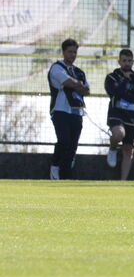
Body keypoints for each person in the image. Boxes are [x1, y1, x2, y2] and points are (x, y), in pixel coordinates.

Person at [48, 38, 90, 179]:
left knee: (73, 144)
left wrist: (76, 84)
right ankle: (55, 166)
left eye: (75, 52)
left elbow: (87, 90)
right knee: (64, 140)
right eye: (70, 52)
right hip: (60, 111)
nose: (72, 55)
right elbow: (67, 82)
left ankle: (66, 175)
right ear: (64, 52)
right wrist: (78, 84)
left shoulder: (79, 72)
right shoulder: (57, 67)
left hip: (77, 112)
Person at [105, 49, 134, 180]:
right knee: (119, 134)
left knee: (128, 150)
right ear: (119, 62)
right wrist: (123, 83)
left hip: (133, 118)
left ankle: (123, 182)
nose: (127, 63)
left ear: (133, 62)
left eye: (129, 61)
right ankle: (112, 149)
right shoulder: (111, 77)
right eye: (124, 61)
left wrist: (123, 94)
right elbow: (114, 92)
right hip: (116, 114)